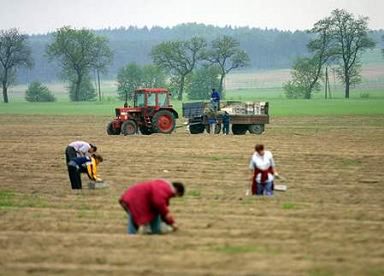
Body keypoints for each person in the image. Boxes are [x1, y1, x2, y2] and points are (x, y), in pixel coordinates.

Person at [119, 179, 185, 235]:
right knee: (134, 221)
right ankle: (132, 235)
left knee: (152, 213)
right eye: (176, 195)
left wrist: (168, 221)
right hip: (134, 199)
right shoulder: (166, 189)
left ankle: (152, 230)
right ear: (176, 190)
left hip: (130, 196)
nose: (174, 196)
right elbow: (159, 203)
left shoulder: (162, 185)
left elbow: (158, 207)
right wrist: (172, 223)